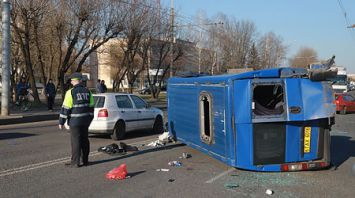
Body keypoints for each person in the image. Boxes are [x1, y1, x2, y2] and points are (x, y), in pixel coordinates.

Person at [58, 72, 94, 168]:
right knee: (85, 140)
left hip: (75, 121)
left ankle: (75, 162)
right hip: (85, 121)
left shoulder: (70, 92)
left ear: (75, 81)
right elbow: (91, 108)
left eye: (72, 81)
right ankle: (85, 160)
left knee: (76, 141)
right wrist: (89, 120)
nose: (71, 82)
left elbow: (66, 108)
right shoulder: (88, 92)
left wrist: (61, 122)